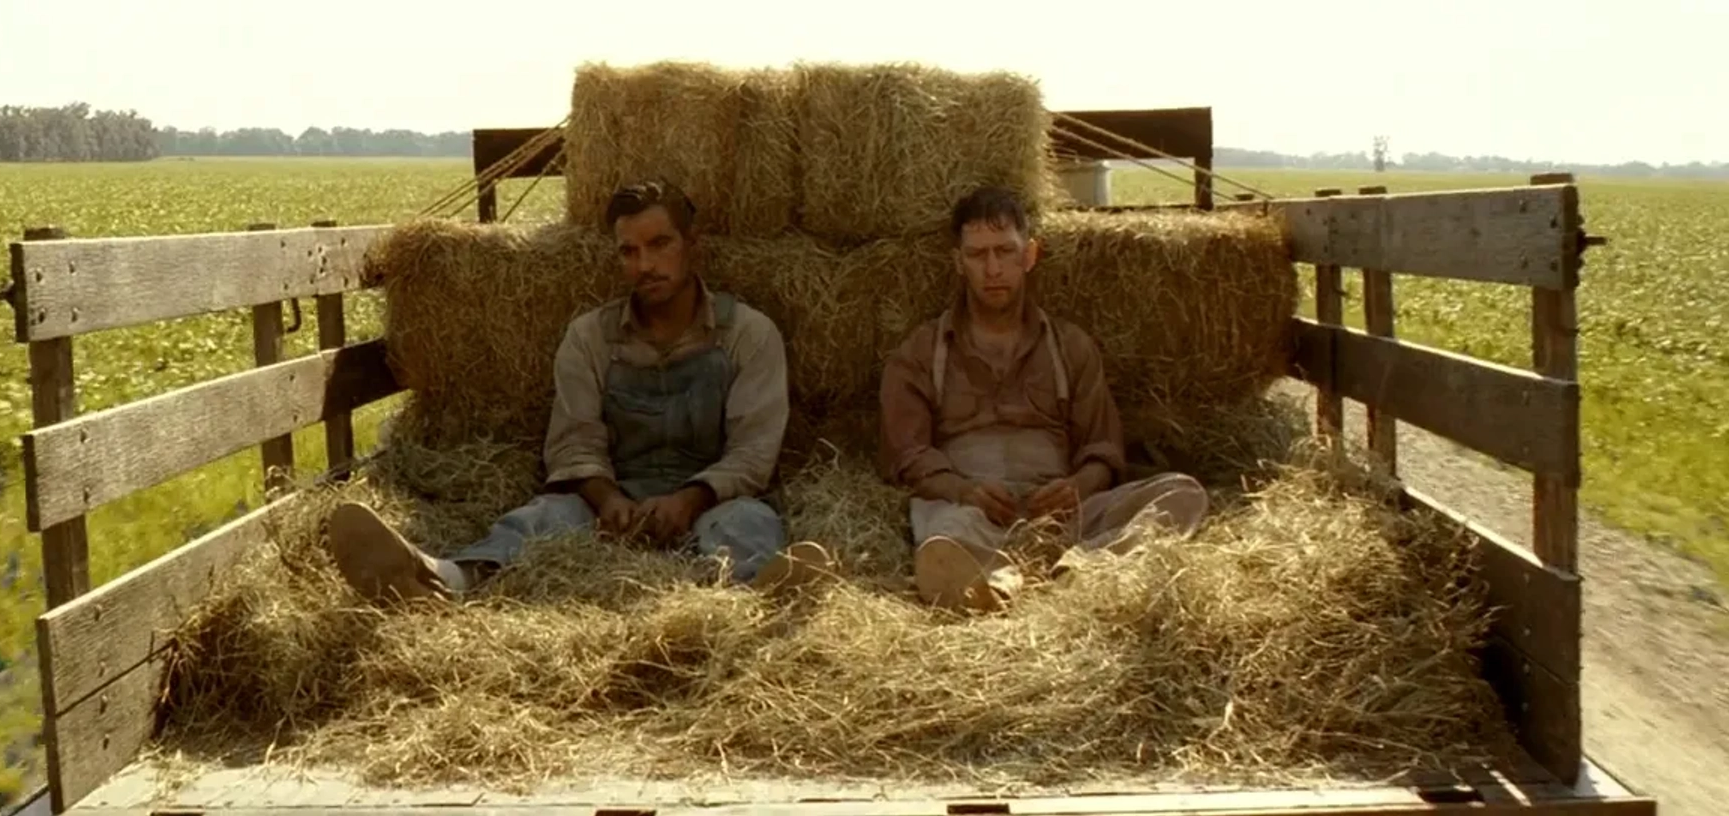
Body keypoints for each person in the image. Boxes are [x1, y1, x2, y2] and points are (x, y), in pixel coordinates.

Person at [327, 179, 832, 602]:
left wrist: (690, 499)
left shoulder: (747, 333)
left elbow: (753, 450)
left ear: (691, 245)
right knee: (536, 521)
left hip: (711, 498)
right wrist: (607, 499)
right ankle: (438, 581)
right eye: (629, 251)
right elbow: (574, 440)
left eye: (660, 245)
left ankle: (762, 599)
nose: (645, 265)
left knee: (750, 524)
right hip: (614, 497)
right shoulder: (590, 336)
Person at [877, 185, 1210, 612]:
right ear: (958, 263)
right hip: (970, 512)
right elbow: (905, 454)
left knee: (1183, 494)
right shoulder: (923, 350)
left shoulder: (1070, 346)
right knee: (943, 537)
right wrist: (964, 490)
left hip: (1062, 516)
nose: (993, 268)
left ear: (1029, 255)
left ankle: (1080, 569)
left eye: (1005, 251)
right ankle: (991, 583)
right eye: (978, 255)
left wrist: (1076, 487)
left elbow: (1103, 447)